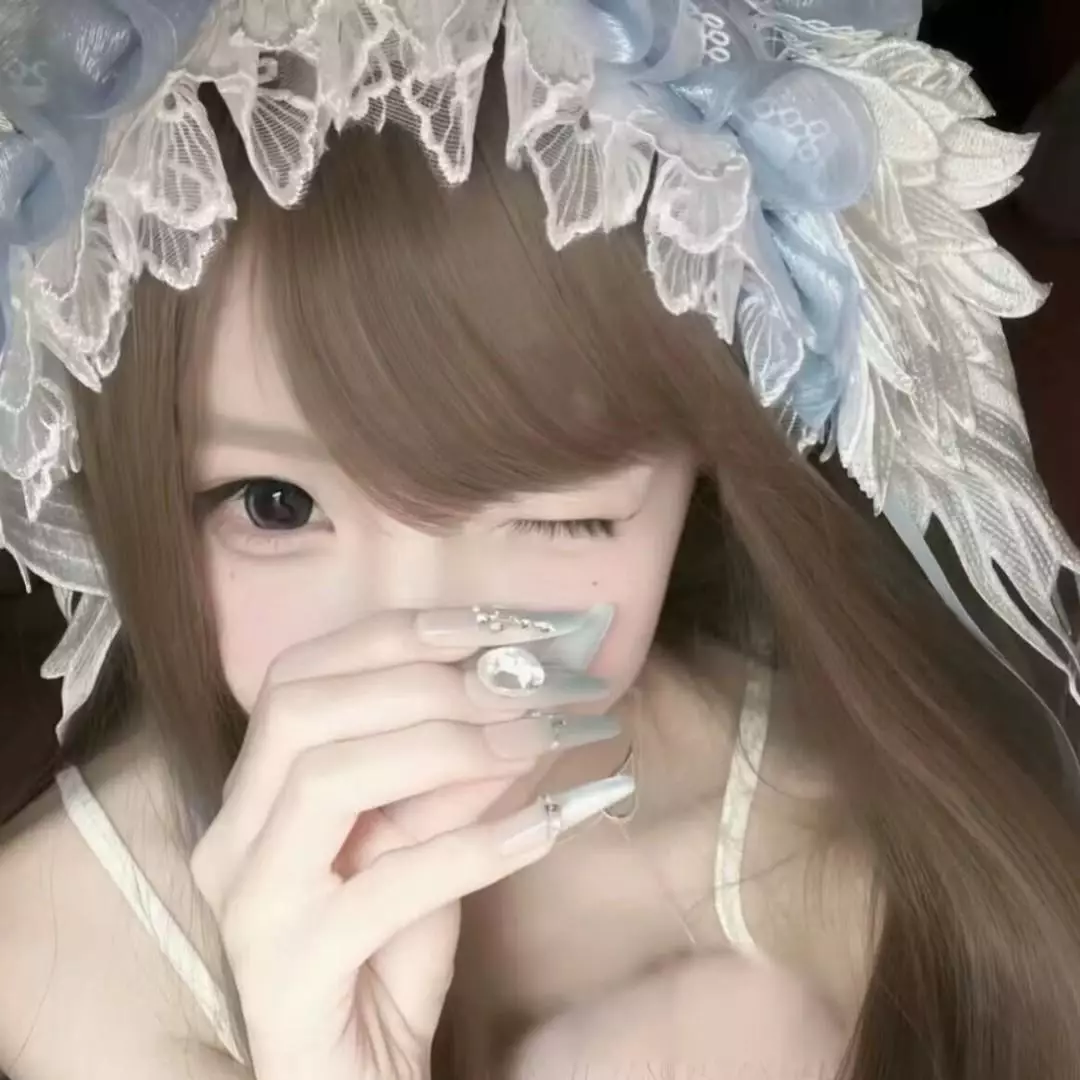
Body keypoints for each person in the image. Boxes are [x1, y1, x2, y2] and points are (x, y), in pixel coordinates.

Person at [1, 2, 1080, 1078]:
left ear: (702, 465)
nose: (418, 637)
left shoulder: (862, 855)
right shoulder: (58, 950)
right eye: (275, 504)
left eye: (558, 510)